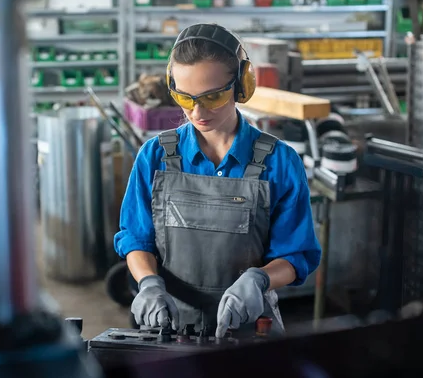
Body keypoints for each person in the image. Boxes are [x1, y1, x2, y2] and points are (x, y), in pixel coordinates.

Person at [114, 23, 321, 338]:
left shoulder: (278, 162)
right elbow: (135, 238)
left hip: (250, 328)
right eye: (184, 98)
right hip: (169, 328)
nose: (197, 112)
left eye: (212, 97)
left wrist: (259, 280)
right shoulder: (155, 156)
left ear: (241, 86)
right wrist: (149, 283)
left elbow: (295, 255)